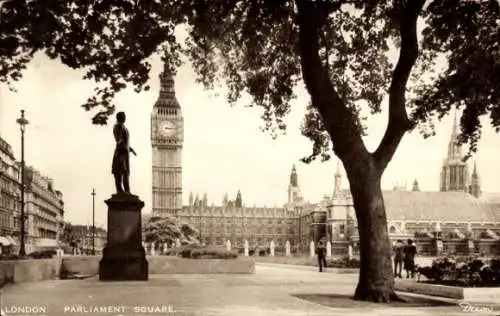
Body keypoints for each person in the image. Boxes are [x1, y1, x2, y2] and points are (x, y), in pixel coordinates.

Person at [112, 112, 137, 194]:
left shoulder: (124, 128)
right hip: (120, 153)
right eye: (123, 116)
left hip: (125, 153)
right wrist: (121, 142)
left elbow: (126, 142)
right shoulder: (117, 126)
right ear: (120, 118)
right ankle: (119, 190)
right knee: (119, 171)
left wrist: (130, 149)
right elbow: (118, 139)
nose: (125, 118)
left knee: (125, 172)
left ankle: (127, 190)